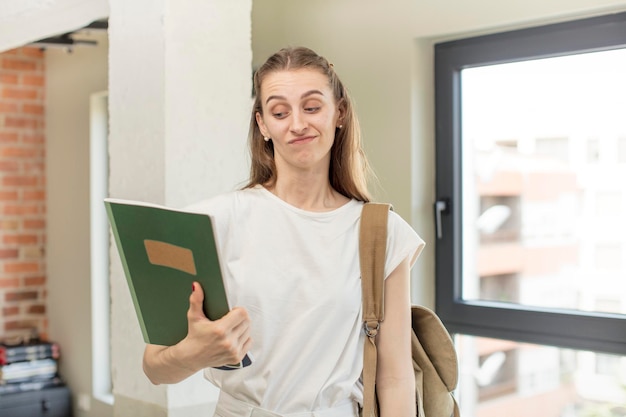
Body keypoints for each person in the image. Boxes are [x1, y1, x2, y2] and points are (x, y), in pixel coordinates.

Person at [142, 46, 424, 417]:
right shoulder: (211, 221)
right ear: (262, 125)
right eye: (279, 112)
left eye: (311, 107)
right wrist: (192, 353)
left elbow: (395, 378)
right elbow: (154, 367)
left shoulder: (382, 233)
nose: (297, 124)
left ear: (339, 113)